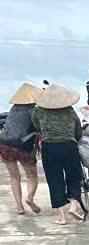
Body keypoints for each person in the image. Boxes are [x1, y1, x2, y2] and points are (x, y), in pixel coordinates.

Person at [32, 84, 86, 225]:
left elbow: (37, 126)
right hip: (69, 145)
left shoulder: (38, 111)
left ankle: (61, 216)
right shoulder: (70, 111)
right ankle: (73, 207)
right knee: (74, 176)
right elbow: (78, 132)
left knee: (54, 180)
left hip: (49, 147)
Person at [2, 83, 43, 216]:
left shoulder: (13, 109)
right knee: (32, 176)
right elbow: (39, 128)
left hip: (4, 144)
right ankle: (29, 198)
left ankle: (19, 207)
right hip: (22, 145)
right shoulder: (34, 110)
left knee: (14, 177)